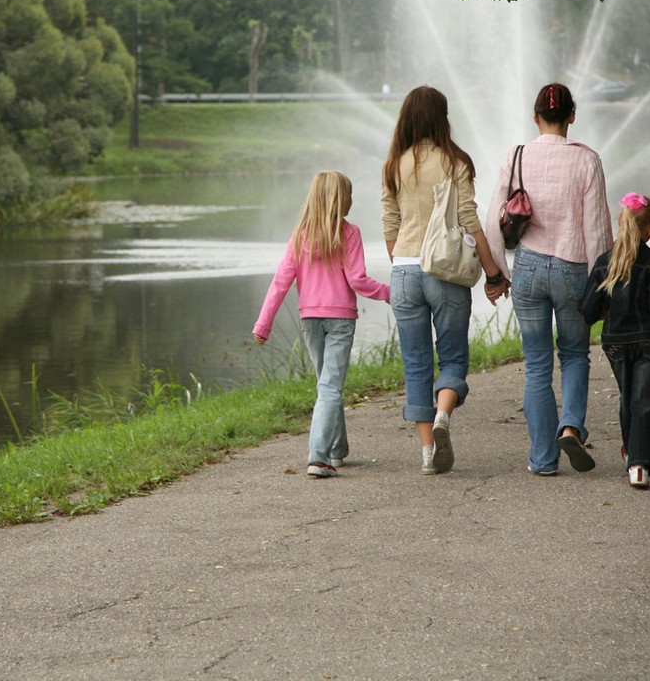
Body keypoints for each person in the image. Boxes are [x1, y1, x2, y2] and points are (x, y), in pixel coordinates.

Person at [485, 82, 612, 476]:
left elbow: (493, 221)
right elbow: (597, 231)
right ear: (572, 115)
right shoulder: (587, 160)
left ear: (535, 116)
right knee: (575, 354)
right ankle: (571, 426)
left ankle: (542, 459)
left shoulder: (517, 154)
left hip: (528, 268)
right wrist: (601, 282)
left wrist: (501, 274)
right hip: (573, 268)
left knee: (538, 362)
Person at [381, 85, 507, 475]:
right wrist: (493, 274)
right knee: (452, 358)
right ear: (442, 116)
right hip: (446, 272)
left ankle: (426, 453)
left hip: (403, 270)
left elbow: (389, 223)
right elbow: (470, 222)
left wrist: (403, 264)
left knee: (416, 364)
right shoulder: (455, 161)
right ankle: (443, 418)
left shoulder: (394, 163)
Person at [253, 170, 390, 478]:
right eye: (349, 195)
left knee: (327, 385)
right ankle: (318, 458)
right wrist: (389, 293)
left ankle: (336, 450)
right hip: (340, 320)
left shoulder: (301, 234)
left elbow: (281, 281)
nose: (352, 200)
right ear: (341, 200)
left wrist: (264, 324)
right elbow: (358, 280)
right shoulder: (349, 232)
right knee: (330, 386)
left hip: (310, 320)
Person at [581, 193, 650, 489]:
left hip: (615, 342)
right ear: (649, 229)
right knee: (645, 401)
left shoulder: (604, 262)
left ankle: (631, 454)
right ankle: (639, 463)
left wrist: (606, 311)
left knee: (628, 398)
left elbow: (586, 309)